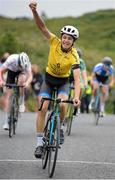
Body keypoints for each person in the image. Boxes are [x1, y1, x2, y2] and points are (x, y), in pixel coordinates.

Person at [29, 2, 81, 159]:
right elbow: (42, 27)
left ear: (73, 42)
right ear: (61, 37)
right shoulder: (54, 41)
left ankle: (60, 128)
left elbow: (77, 79)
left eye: (69, 39)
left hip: (63, 82)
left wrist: (77, 96)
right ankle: (39, 144)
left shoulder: (74, 56)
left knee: (63, 104)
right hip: (49, 79)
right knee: (43, 107)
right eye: (64, 37)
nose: (65, 40)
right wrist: (35, 12)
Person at [0, 52, 32, 130]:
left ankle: (21, 100)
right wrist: (1, 81)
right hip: (11, 71)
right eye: (20, 66)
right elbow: (1, 71)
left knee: (22, 81)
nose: (21, 67)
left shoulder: (27, 64)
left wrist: (27, 83)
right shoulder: (11, 59)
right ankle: (7, 122)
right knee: (8, 94)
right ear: (18, 62)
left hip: (22, 73)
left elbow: (30, 76)